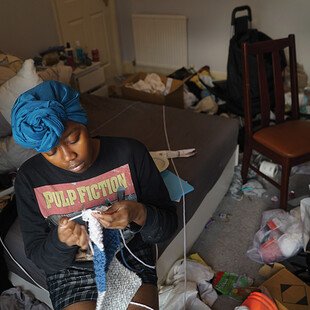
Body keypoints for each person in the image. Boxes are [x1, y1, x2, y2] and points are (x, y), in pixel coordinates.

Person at [11, 80, 178, 310]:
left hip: (128, 256)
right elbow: (40, 256)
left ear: (83, 122)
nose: (69, 156)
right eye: (51, 151)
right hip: (71, 271)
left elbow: (167, 225)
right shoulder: (29, 179)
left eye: (73, 139)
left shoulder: (130, 152)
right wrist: (62, 241)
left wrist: (138, 212)